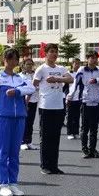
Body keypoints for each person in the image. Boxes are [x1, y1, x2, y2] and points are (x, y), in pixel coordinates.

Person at [0, 48, 36, 196]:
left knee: (15, 153)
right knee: (3, 152)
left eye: (15, 59)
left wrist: (17, 91)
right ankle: (3, 184)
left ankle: (13, 183)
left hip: (20, 118)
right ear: (3, 60)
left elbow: (31, 88)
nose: (12, 62)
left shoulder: (20, 78)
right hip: (4, 118)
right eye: (9, 58)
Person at [33, 43, 73, 174]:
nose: (54, 54)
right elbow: (34, 85)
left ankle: (54, 165)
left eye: (56, 52)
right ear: (46, 53)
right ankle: (45, 166)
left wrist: (56, 78)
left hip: (58, 106)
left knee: (55, 137)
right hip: (46, 106)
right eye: (51, 51)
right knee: (45, 137)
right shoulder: (41, 69)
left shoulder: (61, 68)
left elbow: (70, 79)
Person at [72, 51, 99, 159]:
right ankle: (85, 150)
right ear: (87, 59)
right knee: (85, 128)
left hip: (97, 102)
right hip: (85, 102)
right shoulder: (82, 70)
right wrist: (70, 96)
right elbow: (75, 83)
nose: (94, 60)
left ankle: (92, 150)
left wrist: (97, 80)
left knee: (94, 129)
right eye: (91, 58)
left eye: (95, 58)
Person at [20, 58, 39, 151]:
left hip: (34, 100)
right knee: (24, 122)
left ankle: (29, 141)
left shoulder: (36, 75)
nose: (30, 66)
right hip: (24, 101)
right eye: (27, 64)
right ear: (23, 65)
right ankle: (22, 142)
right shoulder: (20, 76)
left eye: (31, 64)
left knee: (31, 122)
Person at [64, 58, 82, 140]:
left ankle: (76, 132)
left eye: (79, 63)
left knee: (77, 116)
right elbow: (65, 87)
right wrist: (67, 97)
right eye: (76, 63)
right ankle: (70, 132)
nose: (77, 65)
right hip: (70, 98)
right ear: (72, 64)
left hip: (79, 98)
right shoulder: (68, 74)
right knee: (70, 116)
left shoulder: (81, 73)